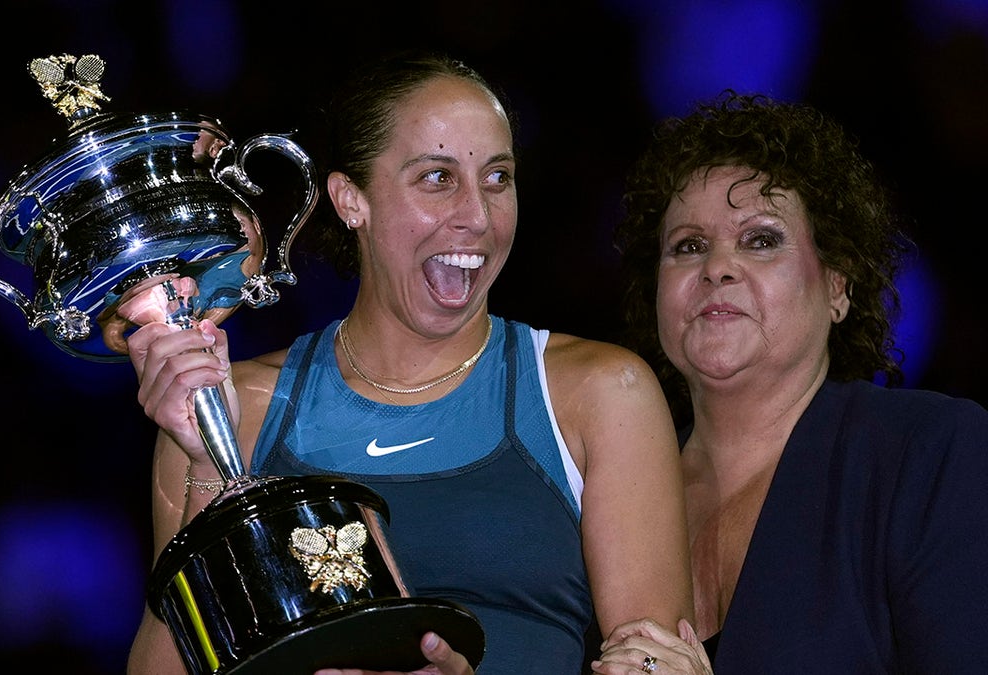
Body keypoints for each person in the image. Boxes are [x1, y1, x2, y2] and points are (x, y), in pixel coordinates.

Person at [118, 51, 694, 674]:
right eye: (437, 178)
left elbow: (660, 663)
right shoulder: (232, 410)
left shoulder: (603, 393)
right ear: (349, 200)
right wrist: (207, 461)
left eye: (498, 178)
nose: (477, 216)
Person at [592, 91, 988, 674]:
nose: (717, 267)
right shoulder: (602, 488)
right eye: (688, 247)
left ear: (837, 287)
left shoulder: (931, 452)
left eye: (761, 239)